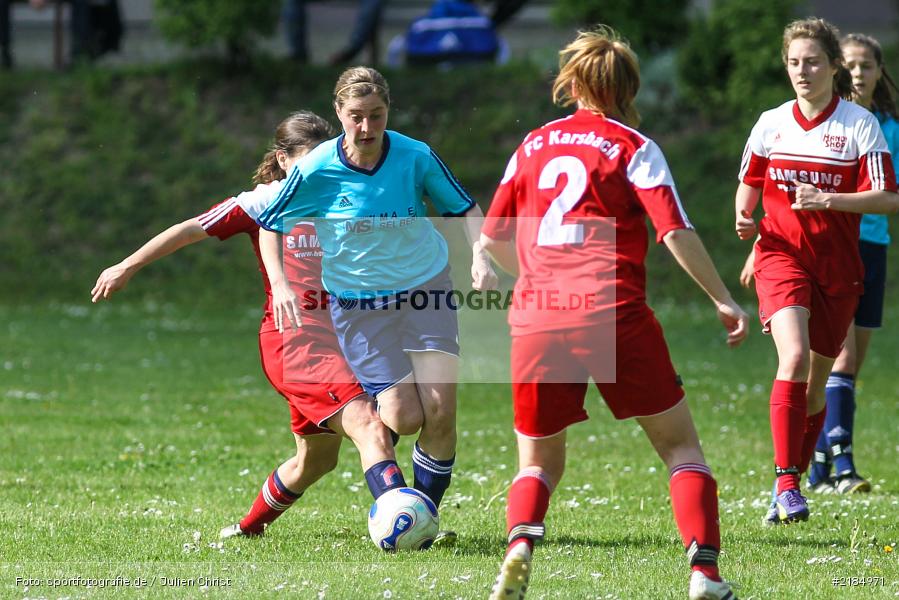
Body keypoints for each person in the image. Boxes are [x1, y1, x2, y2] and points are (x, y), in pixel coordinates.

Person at [481, 27, 749, 600]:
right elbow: (674, 229)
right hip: (612, 311)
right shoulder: (633, 147)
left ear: (572, 82)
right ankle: (704, 572)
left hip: (538, 315)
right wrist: (722, 297)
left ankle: (520, 545)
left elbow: (495, 238)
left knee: (538, 461)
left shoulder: (530, 145)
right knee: (680, 447)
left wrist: (529, 275)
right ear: (628, 88)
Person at [91, 111, 409, 538]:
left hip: (345, 338)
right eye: (307, 160)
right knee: (368, 423)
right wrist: (127, 265)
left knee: (316, 461)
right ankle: (409, 523)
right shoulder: (263, 201)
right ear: (282, 160)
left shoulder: (343, 196)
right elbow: (189, 229)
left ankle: (247, 529)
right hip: (296, 342)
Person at [252, 66, 498, 524]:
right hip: (360, 306)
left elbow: (465, 208)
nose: (367, 128)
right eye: (356, 116)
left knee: (441, 411)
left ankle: (422, 519)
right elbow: (270, 226)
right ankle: (397, 486)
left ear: (389, 112)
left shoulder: (415, 156)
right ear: (339, 114)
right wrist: (281, 282)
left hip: (425, 289)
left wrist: (480, 256)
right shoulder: (316, 168)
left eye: (377, 115)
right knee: (404, 418)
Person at [734, 18, 898, 525]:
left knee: (817, 383)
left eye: (811, 62)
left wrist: (828, 198)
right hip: (782, 256)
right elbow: (750, 184)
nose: (801, 72)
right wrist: (743, 215)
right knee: (796, 356)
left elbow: (889, 198)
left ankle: (792, 483)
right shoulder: (770, 122)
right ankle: (786, 481)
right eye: (793, 62)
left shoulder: (859, 125)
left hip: (840, 267)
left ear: (831, 66)